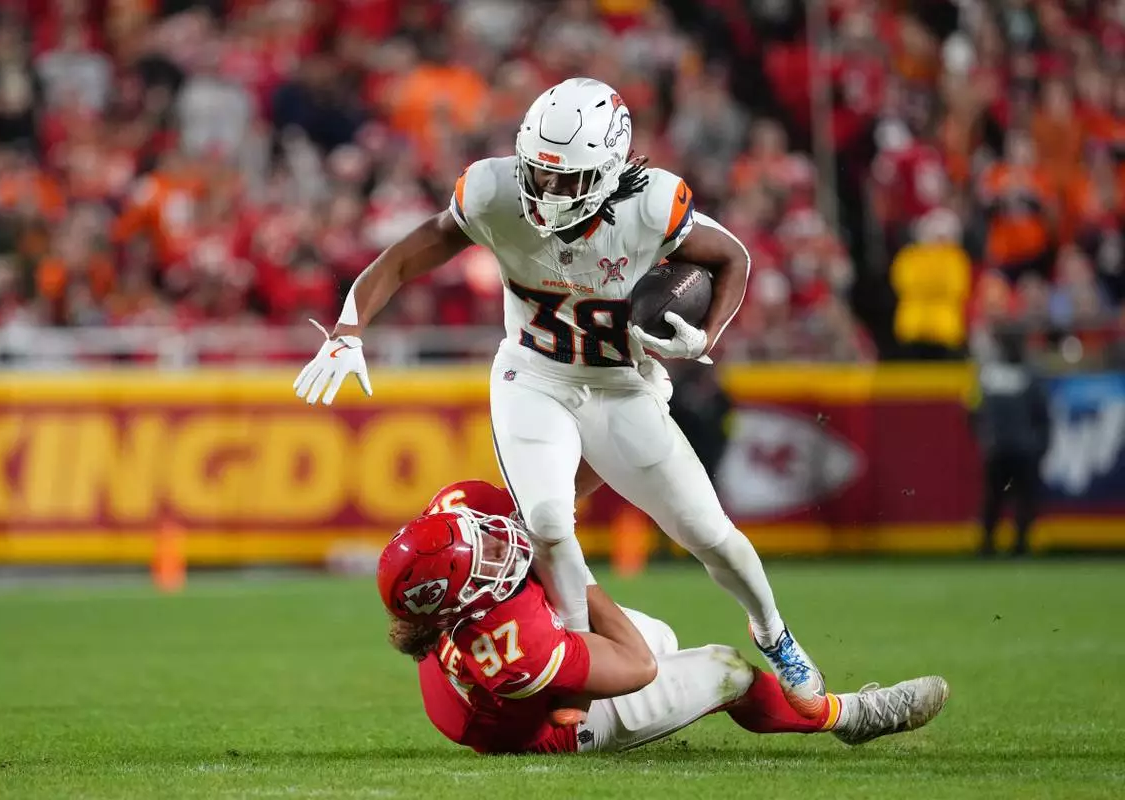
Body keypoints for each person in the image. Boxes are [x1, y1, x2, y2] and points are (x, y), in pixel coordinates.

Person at [295, 77, 829, 718]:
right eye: (538, 171)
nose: (546, 190)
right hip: (533, 377)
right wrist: (349, 329)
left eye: (566, 178)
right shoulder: (492, 193)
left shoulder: (651, 206)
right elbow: (406, 257)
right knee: (547, 522)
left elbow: (732, 258)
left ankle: (774, 633)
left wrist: (705, 335)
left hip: (620, 387)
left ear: (608, 171)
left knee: (711, 535)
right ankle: (579, 668)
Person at [379, 479, 950, 755]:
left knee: (662, 634)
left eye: (480, 536)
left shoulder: (459, 520)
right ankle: (848, 716)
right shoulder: (515, 646)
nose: (499, 541)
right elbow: (638, 666)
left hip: (486, 691)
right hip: (550, 728)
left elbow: (548, 491)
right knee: (726, 670)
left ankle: (635, 707)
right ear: (461, 607)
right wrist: (575, 570)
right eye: (485, 557)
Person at [970, 329, 1052, 556]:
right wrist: (1041, 445)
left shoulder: (988, 376)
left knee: (994, 499)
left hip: (997, 448)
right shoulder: (1030, 375)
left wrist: (984, 438)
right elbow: (1042, 414)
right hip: (1023, 448)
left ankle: (987, 545)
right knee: (1023, 499)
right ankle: (1019, 545)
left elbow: (973, 412)